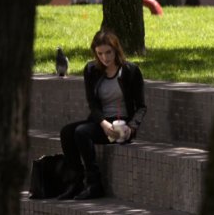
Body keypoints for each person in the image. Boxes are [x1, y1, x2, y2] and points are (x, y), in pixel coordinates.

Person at [57, 29, 147, 200]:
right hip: (101, 121)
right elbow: (93, 104)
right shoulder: (91, 70)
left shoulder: (131, 71)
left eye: (108, 52)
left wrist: (131, 127)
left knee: (81, 132)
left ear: (116, 50)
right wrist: (104, 124)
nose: (105, 58)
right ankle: (76, 182)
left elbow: (141, 107)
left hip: (122, 126)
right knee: (67, 132)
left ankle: (94, 184)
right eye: (100, 54)